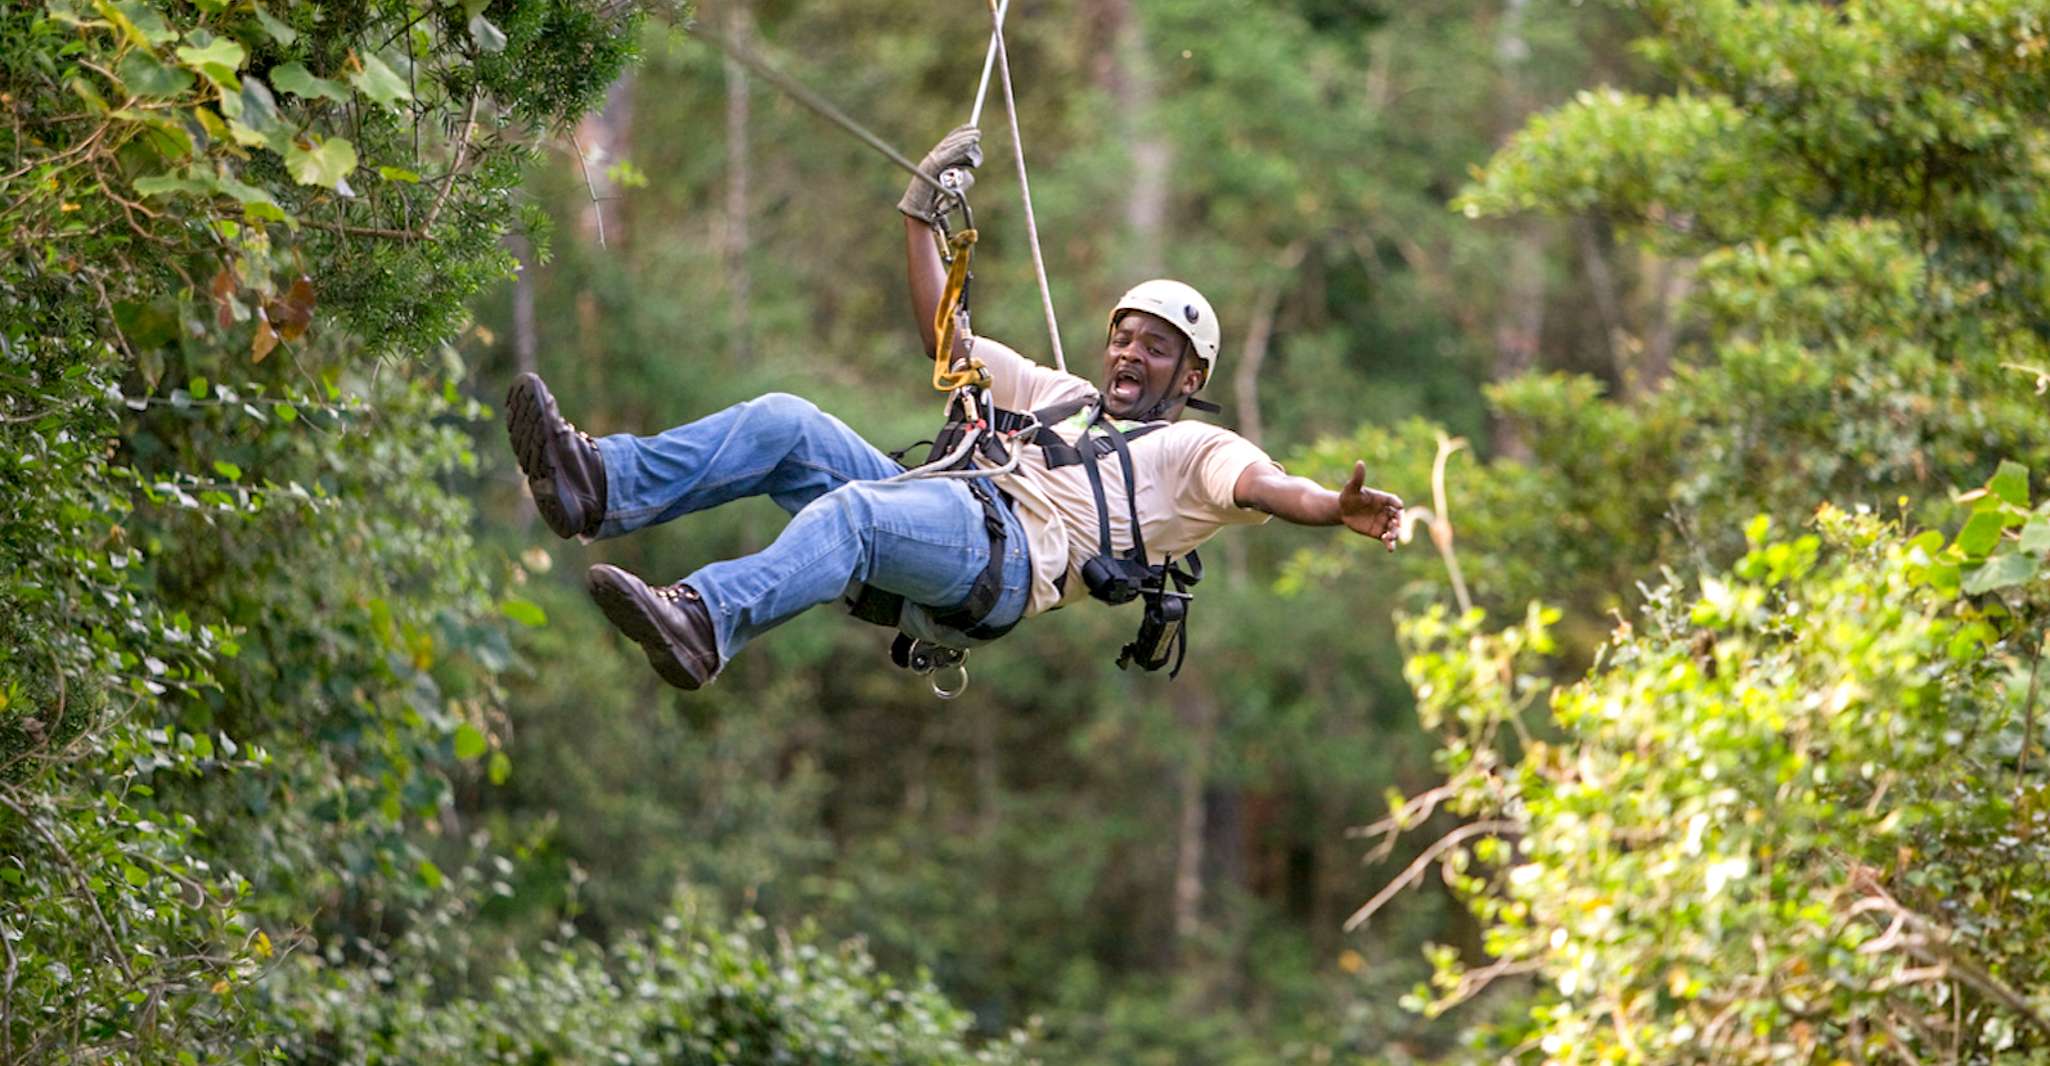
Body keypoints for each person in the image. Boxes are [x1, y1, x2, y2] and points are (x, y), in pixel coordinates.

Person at [505, 126, 1404, 691]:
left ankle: (705, 622)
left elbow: (1267, 486)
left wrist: (1332, 507)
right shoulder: (1062, 397)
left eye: (1155, 347)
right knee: (785, 421)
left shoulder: (1195, 453)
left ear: (1190, 372)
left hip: (1006, 560)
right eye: (1124, 337)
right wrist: (917, 216)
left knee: (854, 513)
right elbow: (952, 342)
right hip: (946, 511)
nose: (1131, 354)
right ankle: (600, 485)